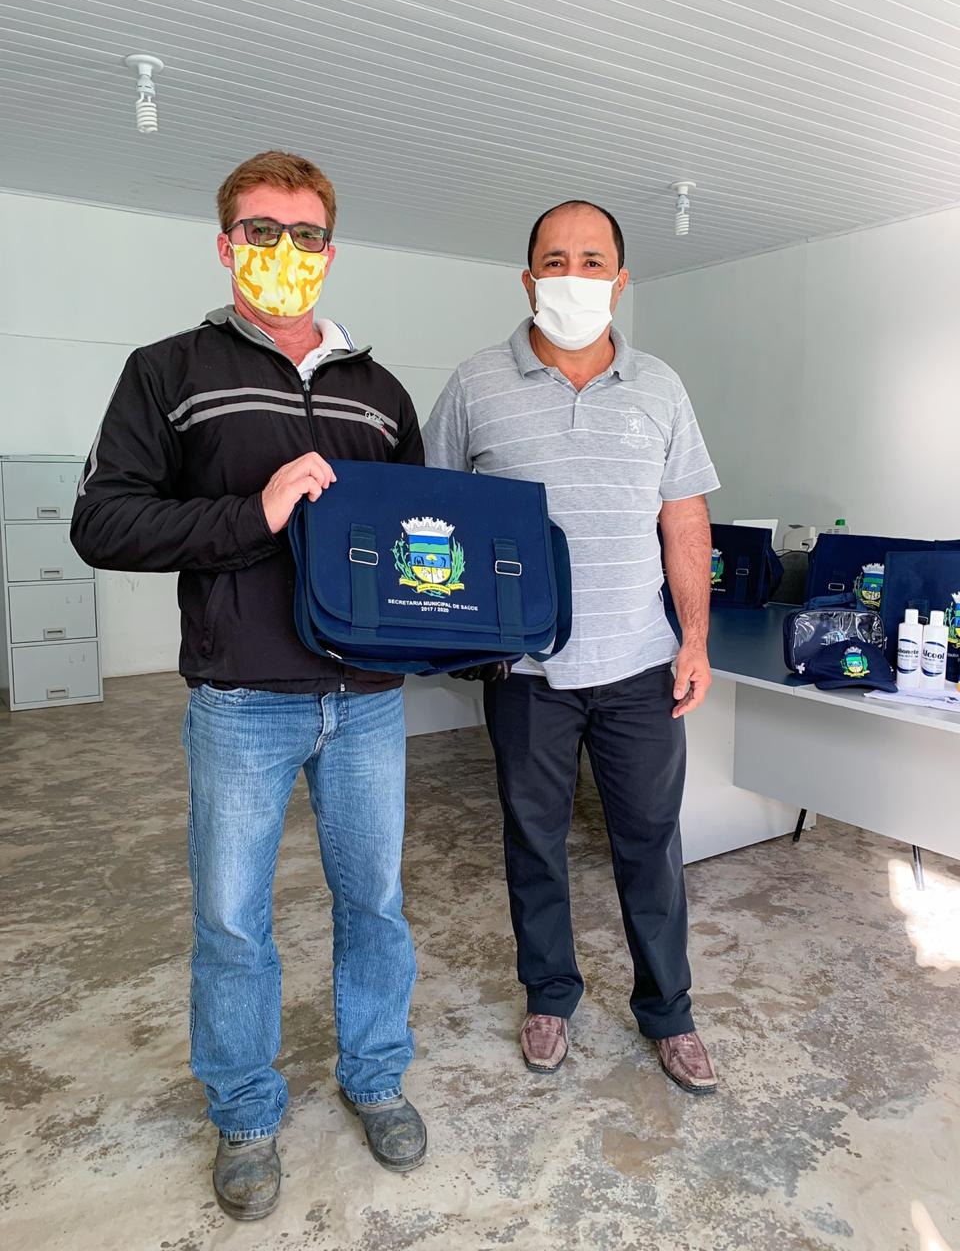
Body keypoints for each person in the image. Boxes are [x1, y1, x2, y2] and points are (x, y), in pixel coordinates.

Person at [72, 151, 428, 1221]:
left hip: (367, 700)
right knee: (232, 920)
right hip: (243, 699)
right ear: (227, 245)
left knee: (376, 904)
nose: (285, 250)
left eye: (306, 233)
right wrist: (254, 513)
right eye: (262, 231)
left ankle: (376, 1074)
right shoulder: (168, 371)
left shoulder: (380, 393)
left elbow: (417, 543)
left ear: (330, 249)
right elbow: (104, 521)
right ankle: (243, 1109)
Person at [423, 200, 721, 1095]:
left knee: (651, 845)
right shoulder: (475, 385)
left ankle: (669, 1011)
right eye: (556, 260)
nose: (574, 276)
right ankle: (549, 995)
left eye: (593, 261)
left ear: (620, 281)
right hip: (526, 671)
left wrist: (695, 640)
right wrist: (460, 635)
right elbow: (432, 516)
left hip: (641, 667)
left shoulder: (661, 387)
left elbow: (684, 520)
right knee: (534, 840)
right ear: (528, 280)